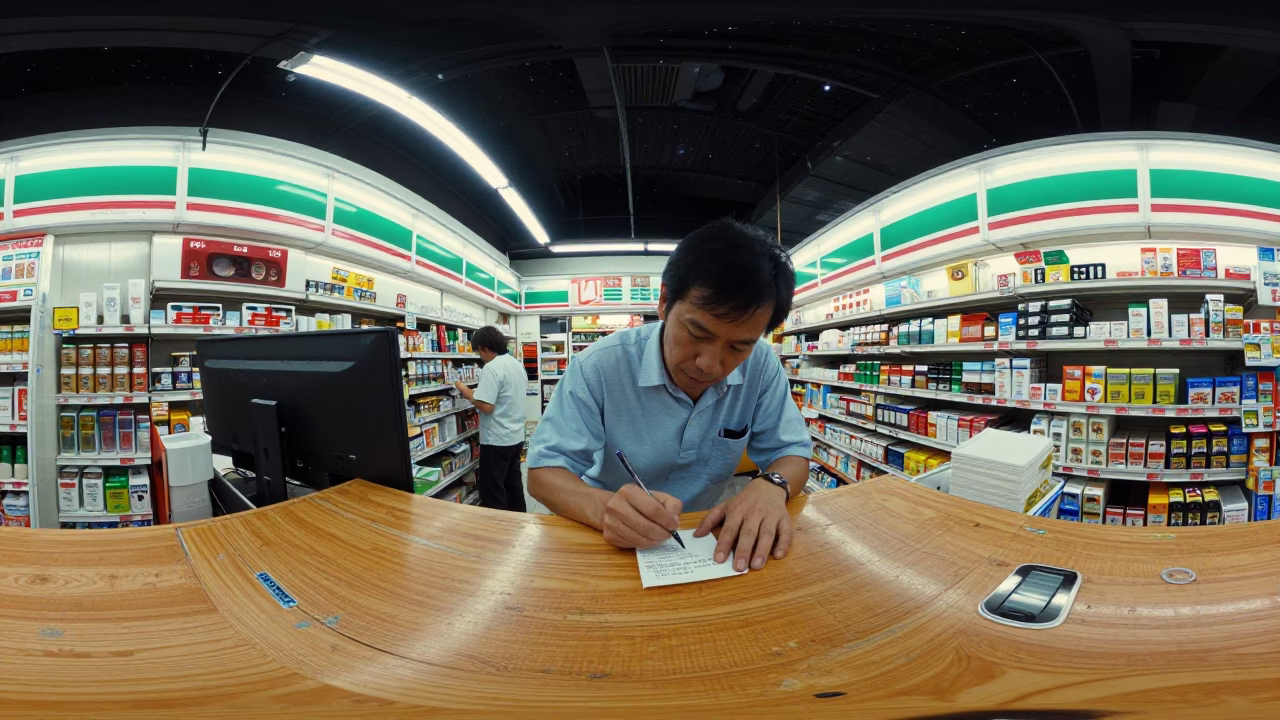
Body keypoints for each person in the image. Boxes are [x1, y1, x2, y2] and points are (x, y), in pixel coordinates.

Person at [527, 218, 810, 573]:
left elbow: (792, 452)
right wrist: (603, 508)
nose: (710, 364)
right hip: (607, 535)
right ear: (663, 301)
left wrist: (773, 485)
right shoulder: (597, 367)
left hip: (706, 538)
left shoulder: (762, 365)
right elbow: (542, 473)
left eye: (738, 346)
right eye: (697, 332)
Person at [455, 325, 528, 512]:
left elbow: (487, 406)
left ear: (484, 348)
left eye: (479, 351)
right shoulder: (515, 364)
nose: (480, 356)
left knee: (493, 489)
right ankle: (519, 521)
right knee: (513, 484)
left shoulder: (492, 368)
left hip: (497, 440)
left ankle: (497, 529)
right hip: (515, 436)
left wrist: (467, 392)